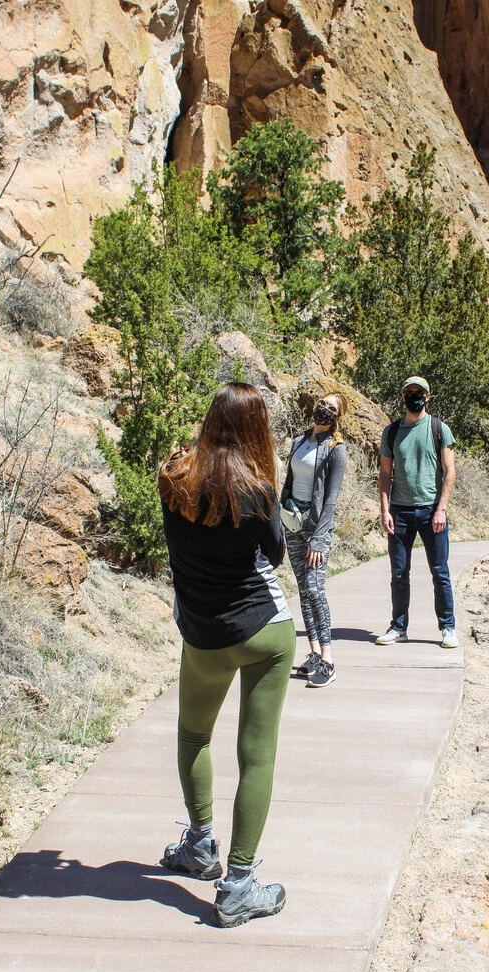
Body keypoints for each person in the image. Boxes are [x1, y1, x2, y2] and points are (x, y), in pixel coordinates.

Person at [157, 383, 296, 929]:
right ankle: (238, 885)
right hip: (265, 631)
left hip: (203, 634)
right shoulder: (257, 492)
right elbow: (277, 553)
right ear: (256, 429)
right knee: (256, 757)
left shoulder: (174, 478)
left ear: (210, 418)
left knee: (194, 736)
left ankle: (199, 844)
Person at [377, 376, 459, 648]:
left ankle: (448, 628)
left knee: (440, 572)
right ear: (403, 397)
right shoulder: (391, 432)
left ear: (428, 396)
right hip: (399, 513)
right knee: (399, 573)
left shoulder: (439, 429)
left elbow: (450, 473)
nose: (414, 396)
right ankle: (398, 627)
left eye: (419, 392)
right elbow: (385, 473)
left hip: (431, 511)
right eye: (409, 392)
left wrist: (441, 509)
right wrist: (385, 510)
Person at [281, 392, 348, 688]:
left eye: (331, 408)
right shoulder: (298, 442)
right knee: (303, 590)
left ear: (338, 418)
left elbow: (331, 500)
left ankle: (328, 660)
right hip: (292, 524)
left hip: (316, 528)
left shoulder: (336, 450)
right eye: (322, 404)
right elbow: (288, 482)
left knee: (316, 589)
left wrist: (319, 540)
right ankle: (312, 653)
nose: (324, 409)